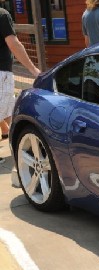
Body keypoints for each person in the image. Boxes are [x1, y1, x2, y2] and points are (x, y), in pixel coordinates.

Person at [0, 7, 41, 163]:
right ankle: (24, 149)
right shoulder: (2, 15)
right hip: (1, 72)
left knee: (7, 107)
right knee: (9, 108)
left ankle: (8, 133)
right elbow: (14, 43)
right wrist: (33, 69)